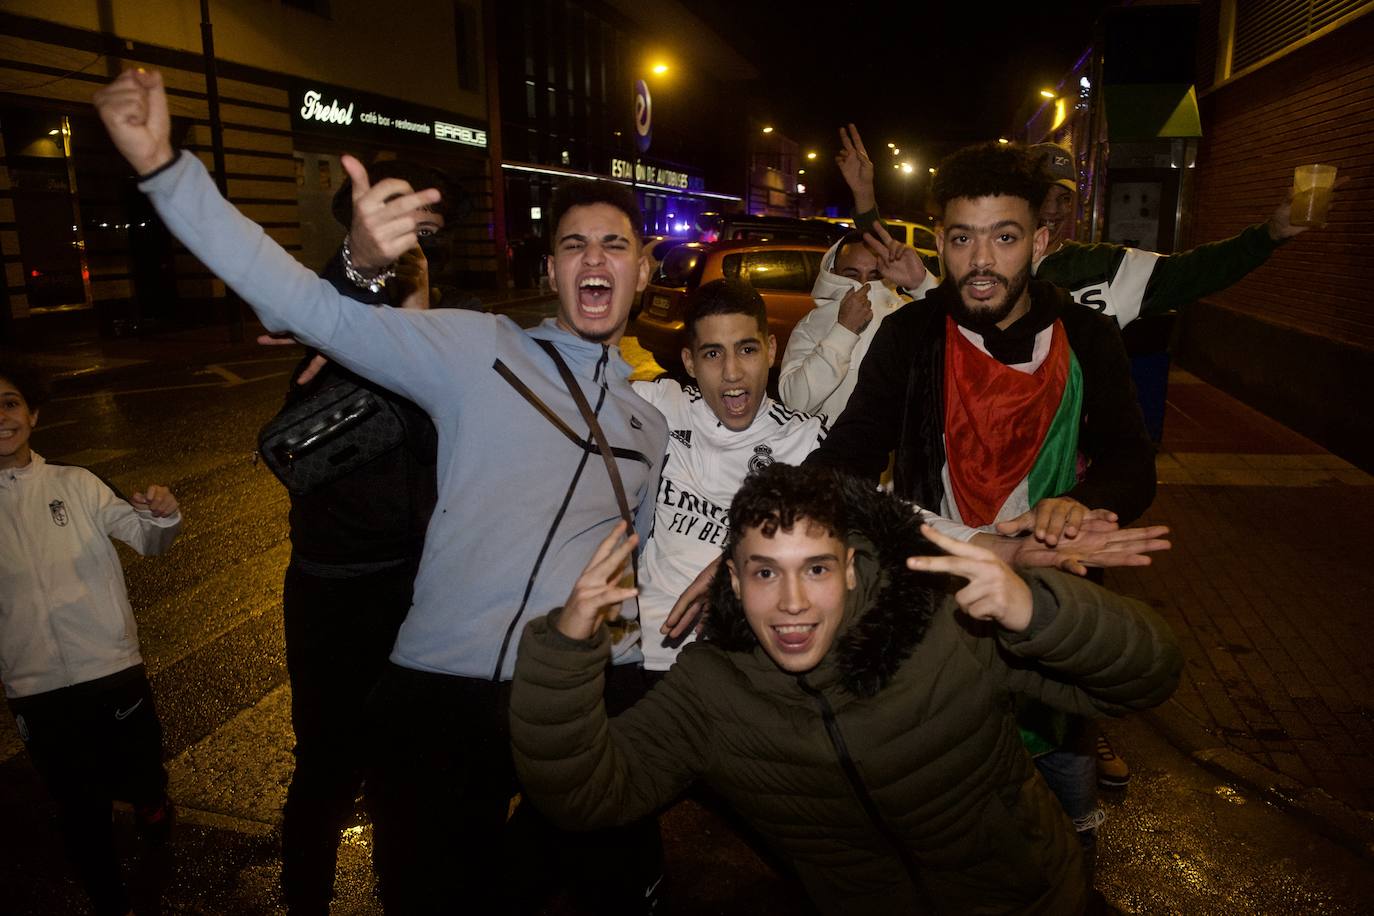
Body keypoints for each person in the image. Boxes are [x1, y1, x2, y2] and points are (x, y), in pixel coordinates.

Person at [94, 68, 668, 914]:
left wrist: (631, 688)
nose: (594, 258)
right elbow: (304, 304)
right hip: (438, 697)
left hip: (565, 696)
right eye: (575, 244)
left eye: (614, 245)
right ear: (550, 270)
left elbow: (628, 578)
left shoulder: (649, 426)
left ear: (643, 272)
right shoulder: (478, 348)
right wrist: (163, 167)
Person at [510, 462, 1182, 915]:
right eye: (765, 573)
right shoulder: (710, 691)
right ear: (734, 584)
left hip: (1036, 901)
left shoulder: (944, 625)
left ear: (853, 571)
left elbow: (1148, 676)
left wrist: (1036, 611)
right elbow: (584, 795)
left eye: (816, 570)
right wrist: (564, 652)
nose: (792, 603)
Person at [806, 140, 1158, 861]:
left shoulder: (1086, 336)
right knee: (944, 812)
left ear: (1041, 241)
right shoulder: (910, 335)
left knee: (1063, 802)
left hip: (1052, 600)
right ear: (940, 242)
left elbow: (1132, 462)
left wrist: (1082, 502)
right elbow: (846, 459)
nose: (982, 261)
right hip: (936, 608)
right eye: (963, 239)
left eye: (1004, 237)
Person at [642, 280, 1171, 668]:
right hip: (645, 659)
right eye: (712, 354)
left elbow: (892, 515)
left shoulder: (812, 445)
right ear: (688, 361)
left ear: (771, 350)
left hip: (755, 663)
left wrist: (1001, 550)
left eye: (746, 349)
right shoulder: (659, 408)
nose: (732, 372)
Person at [266, 160, 448, 916]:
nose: (414, 269)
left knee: (407, 774)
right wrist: (359, 271)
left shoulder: (447, 357)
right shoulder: (334, 344)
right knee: (326, 771)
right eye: (401, 263)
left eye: (422, 253)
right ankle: (304, 900)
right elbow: (327, 308)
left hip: (418, 594)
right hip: (334, 597)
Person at [0, 365, 182, 916]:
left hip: (111, 669)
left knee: (141, 768)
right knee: (79, 805)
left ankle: (151, 804)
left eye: (10, 403)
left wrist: (162, 515)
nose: (1, 417)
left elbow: (148, 539)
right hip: (35, 687)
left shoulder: (76, 483)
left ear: (33, 414)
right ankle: (110, 901)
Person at [777, 229, 934, 420]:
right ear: (833, 274)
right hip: (827, 437)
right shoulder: (811, 325)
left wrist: (923, 286)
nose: (864, 285)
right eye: (852, 275)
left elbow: (952, 347)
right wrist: (843, 331)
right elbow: (795, 403)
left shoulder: (906, 317)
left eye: (874, 277)